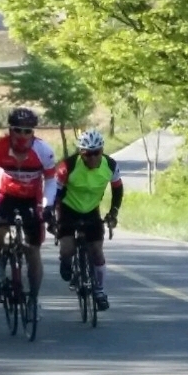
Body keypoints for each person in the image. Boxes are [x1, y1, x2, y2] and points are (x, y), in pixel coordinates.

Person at [0, 107, 57, 304]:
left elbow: (51, 182)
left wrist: (48, 206)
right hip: (6, 195)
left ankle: (33, 299)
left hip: (32, 199)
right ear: (10, 130)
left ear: (33, 132)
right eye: (17, 130)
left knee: (33, 250)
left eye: (27, 131)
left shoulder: (44, 151)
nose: (22, 135)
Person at [52, 128, 123, 311]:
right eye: (87, 154)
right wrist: (51, 215)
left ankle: (99, 290)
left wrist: (113, 212)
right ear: (80, 153)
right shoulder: (68, 166)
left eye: (96, 153)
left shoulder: (110, 165)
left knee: (97, 252)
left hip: (91, 210)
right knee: (67, 249)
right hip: (68, 209)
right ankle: (66, 261)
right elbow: (54, 192)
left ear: (102, 151)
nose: (92, 158)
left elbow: (117, 190)